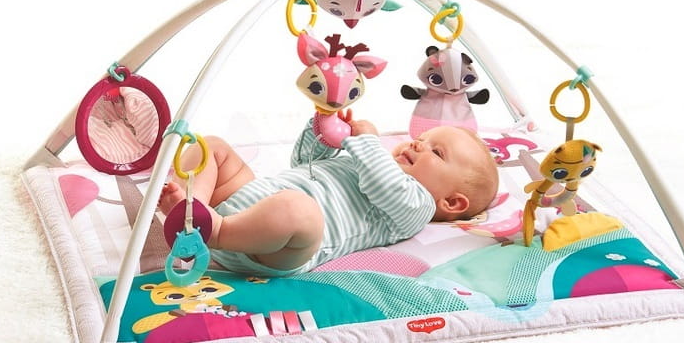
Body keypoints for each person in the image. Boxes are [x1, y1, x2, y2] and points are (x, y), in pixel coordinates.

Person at [158, 114, 499, 276]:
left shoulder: (416, 207)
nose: (418, 145)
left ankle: (213, 232)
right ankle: (191, 207)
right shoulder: (363, 160)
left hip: (271, 248)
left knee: (298, 209)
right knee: (213, 147)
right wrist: (322, 130)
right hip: (248, 199)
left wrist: (366, 140)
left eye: (436, 152)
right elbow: (303, 164)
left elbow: (384, 184)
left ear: (451, 203)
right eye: (421, 139)